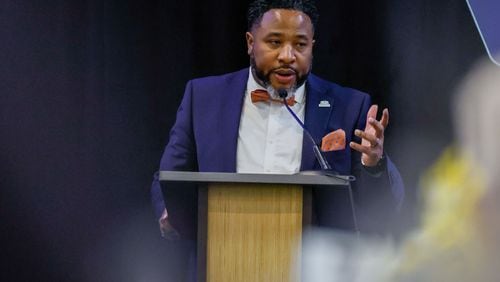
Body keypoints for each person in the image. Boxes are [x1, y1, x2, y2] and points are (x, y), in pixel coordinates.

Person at [151, 0, 404, 241]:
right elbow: (171, 177)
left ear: (312, 47)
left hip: (313, 263)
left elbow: (381, 206)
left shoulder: (349, 106)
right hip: (223, 254)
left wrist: (374, 165)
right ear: (251, 43)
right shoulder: (204, 97)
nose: (287, 56)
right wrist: (168, 213)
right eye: (274, 42)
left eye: (300, 45)